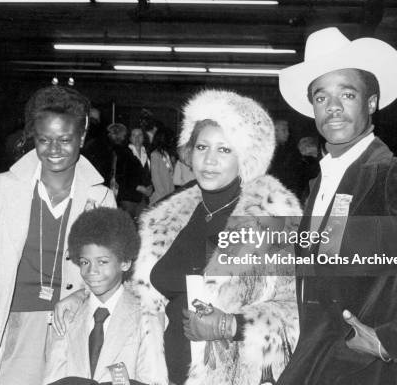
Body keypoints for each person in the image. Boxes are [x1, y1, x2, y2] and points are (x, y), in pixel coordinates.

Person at [277, 27, 397, 385]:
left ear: (371, 102)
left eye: (347, 93)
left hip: (361, 369)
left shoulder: (390, 175)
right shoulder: (321, 183)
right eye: (321, 97)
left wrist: (393, 340)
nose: (333, 108)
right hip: (313, 361)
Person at [132, 89, 302, 385]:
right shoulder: (166, 218)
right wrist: (82, 298)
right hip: (163, 375)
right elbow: (142, 297)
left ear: (245, 156)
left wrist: (230, 324)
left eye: (224, 150)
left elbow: (300, 312)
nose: (209, 160)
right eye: (202, 147)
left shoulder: (271, 218)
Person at [0, 86, 116, 385]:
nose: (53, 149)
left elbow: (106, 277)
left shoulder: (101, 196)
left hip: (73, 327)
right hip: (16, 324)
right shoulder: (4, 188)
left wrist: (82, 295)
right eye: (44, 140)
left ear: (82, 137)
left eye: (65, 140)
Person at [43, 207, 168, 385]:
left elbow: (152, 379)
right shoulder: (67, 314)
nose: (91, 271)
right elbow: (52, 377)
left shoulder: (147, 317)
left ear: (124, 263)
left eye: (102, 262)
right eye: (85, 262)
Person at [107, 123, 153, 220]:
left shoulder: (147, 153)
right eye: (134, 135)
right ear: (130, 138)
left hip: (143, 198)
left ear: (144, 137)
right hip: (128, 199)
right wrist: (139, 187)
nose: (137, 138)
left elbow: (149, 175)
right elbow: (120, 177)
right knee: (127, 229)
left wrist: (151, 187)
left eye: (140, 135)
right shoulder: (124, 153)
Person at [149, 127, 175, 204]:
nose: (171, 141)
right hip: (160, 197)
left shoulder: (166, 154)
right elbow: (155, 178)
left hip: (169, 194)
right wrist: (163, 196)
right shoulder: (155, 155)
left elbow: (170, 176)